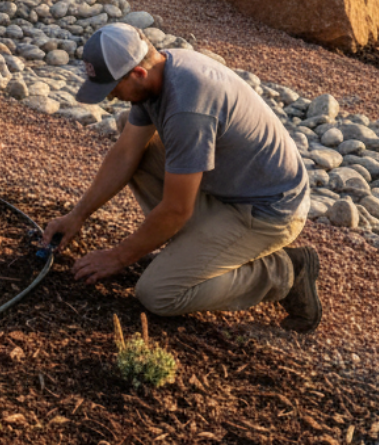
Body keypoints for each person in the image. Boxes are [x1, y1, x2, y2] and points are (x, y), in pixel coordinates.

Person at [40, 23, 321, 332]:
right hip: (228, 188)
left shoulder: (187, 108)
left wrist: (119, 257)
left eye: (112, 88)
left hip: (269, 211)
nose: (111, 97)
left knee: (159, 293)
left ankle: (285, 271)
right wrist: (77, 215)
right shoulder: (161, 70)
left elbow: (177, 209)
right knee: (133, 139)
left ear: (138, 72)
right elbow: (125, 154)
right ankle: (194, 253)